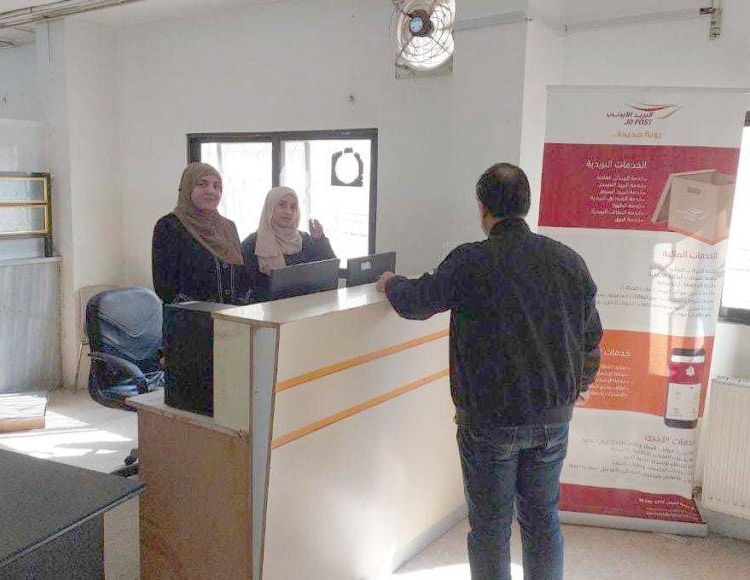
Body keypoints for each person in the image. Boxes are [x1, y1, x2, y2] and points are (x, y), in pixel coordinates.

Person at [376, 163, 602, 580]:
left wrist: (391, 283)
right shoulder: (568, 260)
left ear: (482, 208)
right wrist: (580, 384)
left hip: (488, 421)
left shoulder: (471, 261)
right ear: (527, 204)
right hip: (552, 418)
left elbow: (417, 302)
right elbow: (591, 337)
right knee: (542, 520)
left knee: (490, 529)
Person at [152, 162, 250, 304]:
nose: (211, 191)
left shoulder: (228, 227)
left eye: (216, 186)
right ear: (187, 188)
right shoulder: (169, 226)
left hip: (230, 315)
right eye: (202, 184)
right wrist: (203, 310)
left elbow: (242, 276)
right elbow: (165, 287)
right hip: (188, 315)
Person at [241, 186, 336, 300]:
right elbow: (244, 288)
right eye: (282, 205)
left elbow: (329, 272)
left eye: (293, 207)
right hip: (268, 308)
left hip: (307, 306)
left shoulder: (304, 240)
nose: (288, 212)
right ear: (270, 207)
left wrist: (319, 240)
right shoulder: (253, 244)